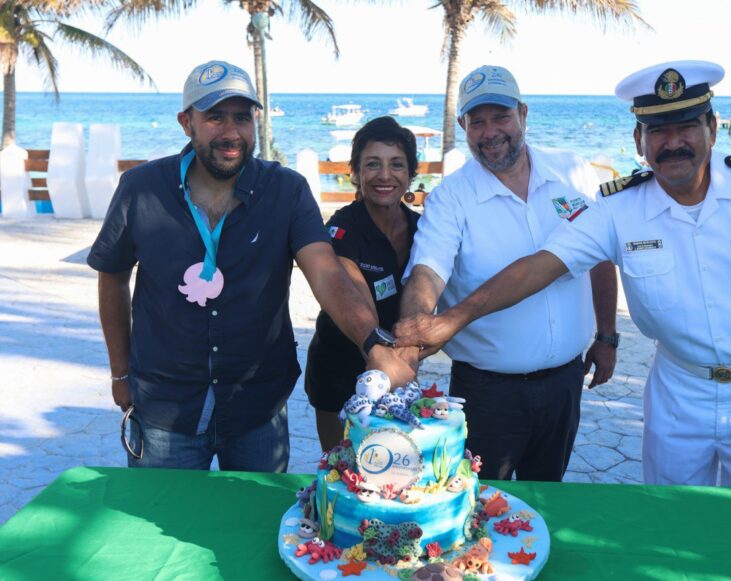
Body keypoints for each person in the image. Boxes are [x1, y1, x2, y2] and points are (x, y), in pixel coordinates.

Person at [395, 60, 731, 488]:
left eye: (686, 126)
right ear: (638, 140)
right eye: (657, 131)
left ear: (712, 128)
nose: (672, 143)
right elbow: (540, 266)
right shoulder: (619, 208)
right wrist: (450, 320)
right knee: (673, 522)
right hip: (679, 391)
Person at [88, 60, 412, 472]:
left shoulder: (287, 190)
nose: (231, 132)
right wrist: (120, 374)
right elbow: (112, 277)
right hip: (165, 409)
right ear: (186, 122)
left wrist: (373, 343)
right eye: (215, 117)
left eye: (242, 117)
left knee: (259, 530)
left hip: (256, 409)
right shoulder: (141, 188)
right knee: (162, 525)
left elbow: (326, 273)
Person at [398, 65, 619, 482]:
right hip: (486, 393)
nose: (490, 132)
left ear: (523, 114)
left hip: (564, 384)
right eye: (476, 122)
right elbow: (427, 271)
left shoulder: (572, 173)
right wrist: (415, 326)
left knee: (547, 496)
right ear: (462, 125)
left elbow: (600, 257)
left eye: (500, 117)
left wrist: (607, 335)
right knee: (480, 507)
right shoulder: (452, 198)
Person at [305, 116, 421, 452]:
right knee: (341, 469)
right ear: (355, 172)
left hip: (398, 369)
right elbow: (353, 292)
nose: (385, 175)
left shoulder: (422, 228)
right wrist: (383, 358)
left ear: (411, 173)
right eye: (373, 164)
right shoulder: (342, 228)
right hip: (338, 371)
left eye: (396, 164)